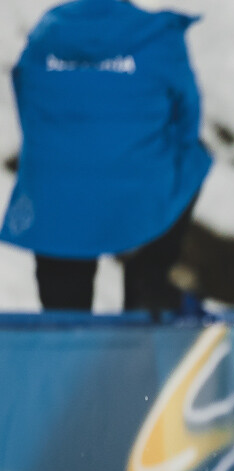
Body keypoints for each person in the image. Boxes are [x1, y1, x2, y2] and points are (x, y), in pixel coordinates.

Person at [1, 0, 212, 314]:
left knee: (64, 296)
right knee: (194, 159)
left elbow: (24, 91)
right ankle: (148, 285)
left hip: (55, 202)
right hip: (139, 196)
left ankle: (64, 322)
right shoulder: (157, 35)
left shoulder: (47, 33)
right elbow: (187, 119)